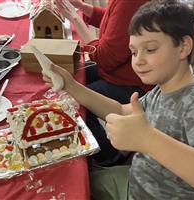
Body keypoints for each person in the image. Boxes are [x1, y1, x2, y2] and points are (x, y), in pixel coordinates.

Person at [43, 0, 194, 199]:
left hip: (147, 192)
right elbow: (121, 111)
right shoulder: (164, 88)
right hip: (137, 179)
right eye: (133, 52)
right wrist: (70, 86)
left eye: (150, 50)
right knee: (66, 179)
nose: (138, 61)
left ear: (183, 48)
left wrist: (148, 140)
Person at [55, 0, 151, 165]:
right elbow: (117, 25)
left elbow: (104, 58)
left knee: (77, 102)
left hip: (133, 83)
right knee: (75, 75)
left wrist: (75, 19)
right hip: (117, 71)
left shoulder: (130, 3)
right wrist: (83, 8)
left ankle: (108, 156)